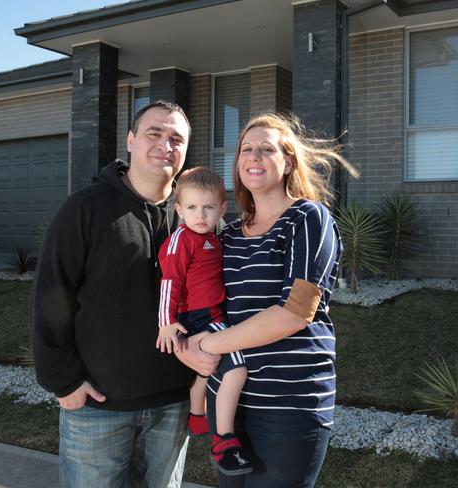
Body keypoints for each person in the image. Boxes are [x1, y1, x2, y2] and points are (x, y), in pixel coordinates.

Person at [31, 101, 220, 488]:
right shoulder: (85, 209)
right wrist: (62, 380)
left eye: (176, 139)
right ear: (131, 140)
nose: (165, 145)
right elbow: (52, 294)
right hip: (99, 406)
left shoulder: (194, 218)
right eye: (154, 133)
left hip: (172, 403)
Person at [196, 113, 357, 488]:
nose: (254, 156)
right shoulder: (228, 234)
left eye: (267, 149)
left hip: (288, 405)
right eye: (246, 150)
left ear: (287, 162)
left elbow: (296, 312)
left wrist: (209, 344)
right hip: (228, 405)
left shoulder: (308, 218)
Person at [156, 167, 251, 476]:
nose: (200, 215)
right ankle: (223, 440)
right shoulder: (181, 240)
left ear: (221, 209)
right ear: (179, 209)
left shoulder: (212, 237)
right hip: (197, 315)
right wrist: (166, 323)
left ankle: (197, 414)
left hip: (212, 312)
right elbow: (170, 281)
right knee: (236, 368)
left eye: (208, 207)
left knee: (208, 365)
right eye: (192, 208)